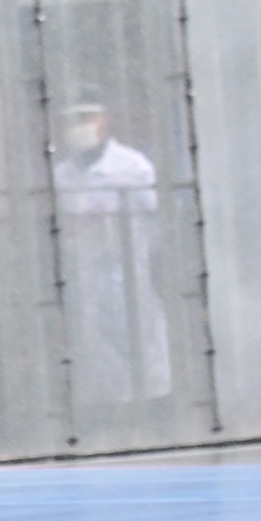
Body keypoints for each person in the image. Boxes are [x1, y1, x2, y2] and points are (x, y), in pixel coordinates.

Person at [53, 90, 172, 405]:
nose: (80, 126)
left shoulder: (132, 167)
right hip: (85, 276)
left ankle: (152, 406)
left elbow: (157, 216)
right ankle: (111, 411)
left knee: (141, 342)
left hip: (129, 272)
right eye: (73, 120)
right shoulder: (63, 176)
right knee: (96, 349)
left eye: (87, 118)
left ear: (104, 119)